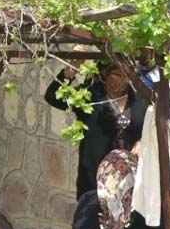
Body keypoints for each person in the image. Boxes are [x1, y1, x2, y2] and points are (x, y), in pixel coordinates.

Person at [45, 61, 145, 200]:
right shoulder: (88, 97)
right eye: (118, 75)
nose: (124, 80)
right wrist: (70, 72)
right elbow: (52, 96)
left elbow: (154, 124)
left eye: (126, 75)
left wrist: (142, 141)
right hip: (94, 180)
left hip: (130, 180)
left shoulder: (138, 99)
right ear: (104, 76)